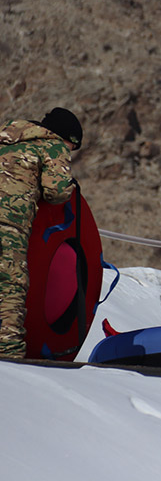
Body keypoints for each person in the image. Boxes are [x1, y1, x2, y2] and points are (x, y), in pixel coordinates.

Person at [0, 107, 82, 358]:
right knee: (10, 283)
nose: (68, 152)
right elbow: (55, 192)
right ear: (67, 137)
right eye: (72, 146)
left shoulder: (7, 140)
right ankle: (8, 354)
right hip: (8, 222)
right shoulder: (53, 145)